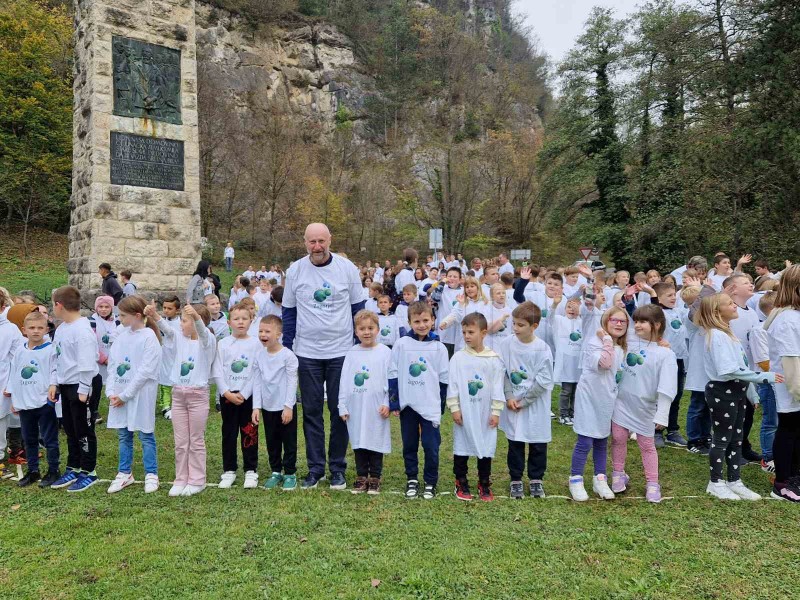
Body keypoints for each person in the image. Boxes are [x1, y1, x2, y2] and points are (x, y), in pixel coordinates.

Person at [282, 223, 365, 490]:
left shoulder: (347, 269)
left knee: (339, 411)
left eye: (321, 241)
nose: (317, 247)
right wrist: (288, 349)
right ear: (304, 242)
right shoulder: (295, 270)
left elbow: (358, 310)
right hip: (307, 353)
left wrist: (356, 348)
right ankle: (315, 469)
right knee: (312, 412)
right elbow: (289, 312)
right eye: (312, 242)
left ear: (330, 240)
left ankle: (338, 468)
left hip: (341, 352)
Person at [696, 293, 780, 501]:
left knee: (736, 439)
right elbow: (728, 370)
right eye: (729, 303)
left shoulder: (728, 334)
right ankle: (715, 482)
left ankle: (734, 480)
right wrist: (764, 377)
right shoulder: (716, 335)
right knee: (721, 439)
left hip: (736, 390)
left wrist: (751, 394)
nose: (735, 306)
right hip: (721, 391)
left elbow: (741, 367)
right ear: (717, 311)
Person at [610, 305, 677, 503]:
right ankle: (617, 475)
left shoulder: (665, 354)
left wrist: (662, 413)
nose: (637, 325)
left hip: (645, 407)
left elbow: (667, 385)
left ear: (656, 325)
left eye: (642, 321)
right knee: (618, 437)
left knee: (646, 444)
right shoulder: (628, 342)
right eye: (636, 321)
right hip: (621, 402)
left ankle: (652, 484)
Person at [152, 303, 217, 497]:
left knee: (195, 440)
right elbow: (166, 328)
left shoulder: (207, 341)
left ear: (198, 322)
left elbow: (203, 333)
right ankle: (181, 479)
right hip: (178, 394)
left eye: (185, 321)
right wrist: (154, 314)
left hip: (198, 395)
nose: (181, 325)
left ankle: (197, 480)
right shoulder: (180, 337)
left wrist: (196, 317)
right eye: (181, 320)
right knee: (181, 441)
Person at [389, 301, 449, 499]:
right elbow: (393, 373)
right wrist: (395, 401)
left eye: (426, 320)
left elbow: (443, 379)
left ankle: (431, 481)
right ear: (409, 322)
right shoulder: (401, 344)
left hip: (430, 405)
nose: (422, 325)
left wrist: (439, 405)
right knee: (409, 444)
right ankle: (412, 478)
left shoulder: (439, 347)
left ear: (433, 320)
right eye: (417, 321)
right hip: (408, 404)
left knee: (431, 446)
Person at [569, 307, 628, 501]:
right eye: (614, 320)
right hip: (589, 397)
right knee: (585, 441)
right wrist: (607, 340)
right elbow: (605, 363)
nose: (619, 324)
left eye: (623, 321)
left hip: (606, 399)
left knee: (602, 440)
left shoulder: (623, 346)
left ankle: (599, 478)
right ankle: (576, 479)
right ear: (605, 321)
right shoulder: (595, 342)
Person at [105, 296, 163, 494]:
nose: (119, 318)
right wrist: (112, 392)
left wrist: (126, 395)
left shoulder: (149, 337)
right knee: (124, 434)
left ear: (137, 315)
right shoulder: (122, 336)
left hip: (140, 394)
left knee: (145, 434)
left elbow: (145, 371)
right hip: (120, 393)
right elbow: (113, 365)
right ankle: (124, 473)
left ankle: (151, 473)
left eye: (122, 315)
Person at [497, 301, 554, 499]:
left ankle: (536, 479)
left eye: (521, 325)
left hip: (534, 404)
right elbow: (502, 371)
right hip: (513, 403)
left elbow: (544, 380)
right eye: (514, 323)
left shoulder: (542, 349)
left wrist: (524, 401)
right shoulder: (506, 344)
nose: (515, 328)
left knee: (538, 443)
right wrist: (510, 396)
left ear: (534, 326)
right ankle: (516, 479)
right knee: (515, 442)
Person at [447, 312, 505, 502]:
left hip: (485, 412)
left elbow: (498, 386)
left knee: (486, 445)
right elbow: (453, 385)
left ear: (484, 332)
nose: (466, 336)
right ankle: (461, 481)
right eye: (464, 332)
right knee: (462, 445)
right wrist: (454, 407)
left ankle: (484, 482)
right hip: (465, 411)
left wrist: (496, 411)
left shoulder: (493, 359)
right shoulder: (458, 358)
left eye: (471, 332)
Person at [48, 286, 100, 492]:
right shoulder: (61, 329)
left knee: (84, 429)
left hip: (82, 384)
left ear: (59, 305)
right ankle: (74, 466)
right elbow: (56, 358)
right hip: (66, 384)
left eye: (53, 304)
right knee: (69, 428)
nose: (53, 308)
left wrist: (84, 388)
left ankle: (89, 471)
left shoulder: (82, 329)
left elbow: (87, 362)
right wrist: (54, 382)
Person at [4, 310, 60, 488]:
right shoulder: (19, 350)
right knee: (29, 439)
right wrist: (13, 397)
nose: (36, 331)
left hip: (44, 402)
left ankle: (53, 470)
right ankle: (33, 470)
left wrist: (53, 386)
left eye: (40, 328)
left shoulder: (50, 349)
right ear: (24, 330)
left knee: (49, 439)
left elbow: (54, 371)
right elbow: (14, 373)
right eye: (32, 328)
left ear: (46, 329)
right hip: (25, 403)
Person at [339, 310, 392, 494]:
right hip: (356, 406)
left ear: (378, 329)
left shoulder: (385, 352)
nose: (367, 332)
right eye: (362, 329)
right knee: (359, 440)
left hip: (377, 406)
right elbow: (344, 380)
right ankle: (361, 476)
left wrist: (388, 402)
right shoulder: (352, 353)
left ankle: (375, 477)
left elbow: (390, 380)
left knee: (375, 439)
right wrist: (342, 405)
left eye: (370, 328)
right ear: (356, 331)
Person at [214, 303, 262, 490]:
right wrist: (226, 392)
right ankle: (229, 470)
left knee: (249, 432)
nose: (240, 322)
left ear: (251, 321)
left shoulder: (256, 344)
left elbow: (256, 371)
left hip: (247, 397)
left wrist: (244, 393)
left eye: (244, 318)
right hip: (228, 396)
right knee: (229, 433)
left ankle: (251, 470)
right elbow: (217, 369)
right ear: (229, 322)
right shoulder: (223, 344)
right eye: (236, 319)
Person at [765, 265, 800, 501]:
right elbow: (791, 361)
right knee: (789, 430)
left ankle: (796, 475)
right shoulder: (787, 319)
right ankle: (782, 483)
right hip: (792, 386)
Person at [252, 315, 299, 491]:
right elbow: (256, 381)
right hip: (267, 406)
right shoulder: (259, 356)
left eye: (267, 331)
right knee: (272, 440)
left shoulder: (288, 356)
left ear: (278, 334)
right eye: (260, 331)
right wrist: (256, 406)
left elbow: (292, 381)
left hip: (285, 407)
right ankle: (276, 471)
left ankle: (290, 473)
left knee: (289, 440)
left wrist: (288, 406)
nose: (263, 334)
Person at [723, 273, 762, 464]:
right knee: (734, 413)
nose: (751, 284)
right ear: (733, 288)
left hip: (750, 370)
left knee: (748, 412)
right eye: (745, 282)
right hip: (733, 369)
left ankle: (744, 446)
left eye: (751, 281)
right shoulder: (727, 311)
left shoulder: (752, 312)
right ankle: (731, 449)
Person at [650, 282, 689, 448]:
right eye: (669, 295)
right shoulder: (658, 313)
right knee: (661, 394)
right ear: (659, 298)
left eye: (674, 295)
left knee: (676, 394)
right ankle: (656, 431)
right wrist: (651, 294)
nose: (674, 298)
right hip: (663, 359)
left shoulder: (678, 311)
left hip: (678, 359)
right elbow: (653, 309)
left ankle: (672, 430)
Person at [751, 291, 777, 473]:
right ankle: (768, 458)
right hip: (768, 381)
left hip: (783, 380)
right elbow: (763, 361)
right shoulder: (759, 330)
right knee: (771, 421)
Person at [548, 296, 583, 426]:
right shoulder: (559, 320)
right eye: (569, 307)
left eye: (575, 308)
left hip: (578, 364)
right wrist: (554, 304)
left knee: (576, 391)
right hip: (565, 363)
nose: (572, 310)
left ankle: (573, 414)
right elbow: (549, 317)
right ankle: (563, 414)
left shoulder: (582, 322)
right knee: (566, 391)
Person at [0, 290, 24, 467]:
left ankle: (0, 455)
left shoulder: (10, 329)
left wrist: (10, 386)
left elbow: (17, 360)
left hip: (2, 382)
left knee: (1, 421)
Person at [88, 296, 119, 425]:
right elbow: (92, 343)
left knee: (115, 384)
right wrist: (103, 359)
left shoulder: (117, 321)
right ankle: (93, 410)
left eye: (107, 307)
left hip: (114, 359)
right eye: (101, 307)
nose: (104, 309)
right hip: (98, 359)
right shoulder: (91, 321)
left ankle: (117, 407)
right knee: (96, 386)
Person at [157, 296, 182, 420]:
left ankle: (177, 404)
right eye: (164, 308)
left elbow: (170, 332)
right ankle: (165, 406)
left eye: (169, 308)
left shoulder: (180, 323)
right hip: (163, 355)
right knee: (164, 381)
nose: (166, 310)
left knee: (176, 382)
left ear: (177, 310)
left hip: (176, 355)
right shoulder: (161, 320)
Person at [432, 266, 464, 358]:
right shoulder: (443, 289)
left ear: (460, 279)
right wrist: (442, 283)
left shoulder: (463, 291)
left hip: (458, 331)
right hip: (444, 332)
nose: (452, 279)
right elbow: (435, 298)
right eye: (449, 276)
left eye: (455, 277)